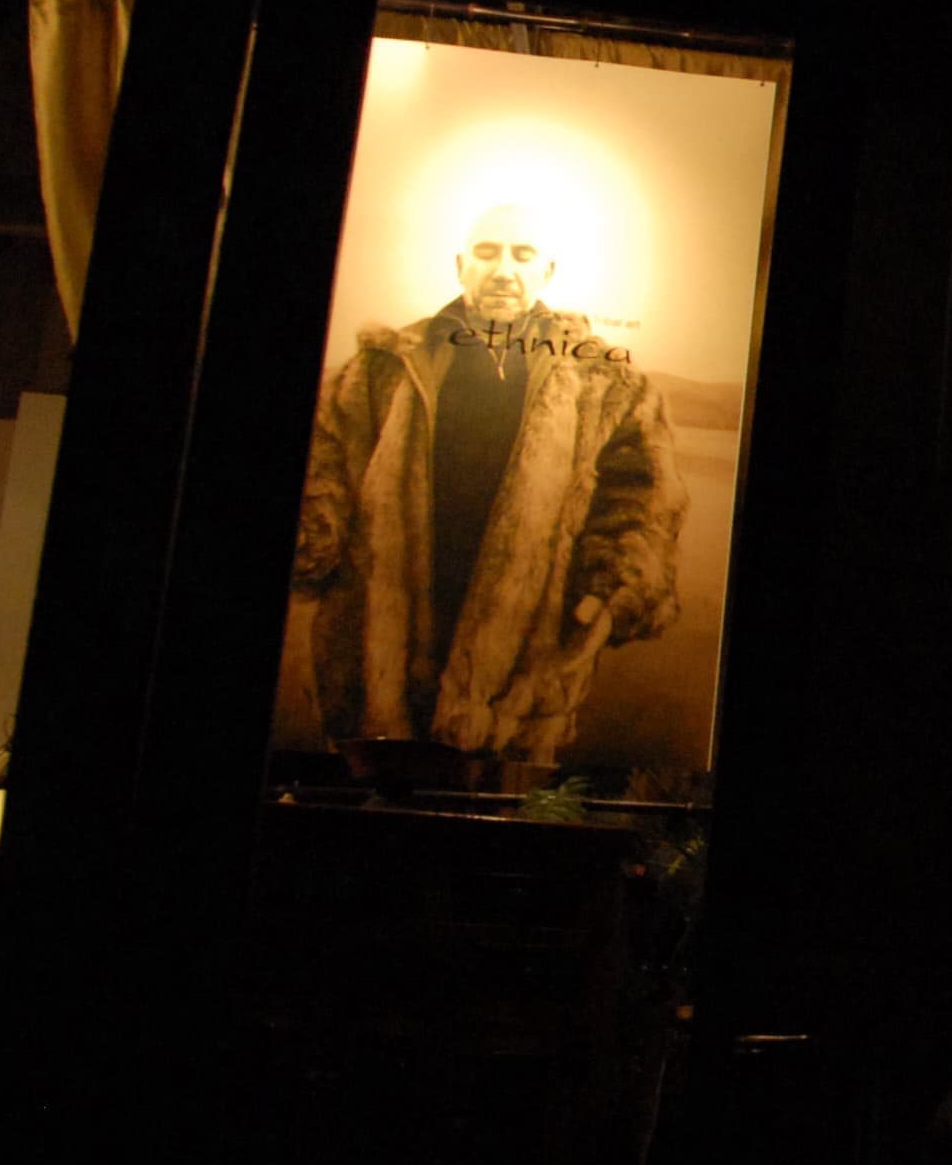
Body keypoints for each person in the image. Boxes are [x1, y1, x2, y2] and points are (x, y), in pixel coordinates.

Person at [289, 200, 686, 759]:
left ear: (547, 271)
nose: (504, 269)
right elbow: (322, 470)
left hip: (524, 662)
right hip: (381, 640)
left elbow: (643, 496)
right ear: (460, 266)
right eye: (486, 252)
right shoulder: (383, 366)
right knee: (374, 794)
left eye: (523, 255)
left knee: (502, 798)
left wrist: (612, 587)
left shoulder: (605, 379)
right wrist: (312, 540)